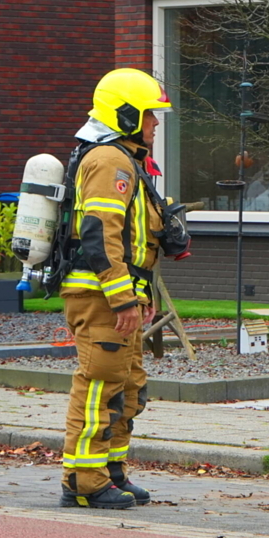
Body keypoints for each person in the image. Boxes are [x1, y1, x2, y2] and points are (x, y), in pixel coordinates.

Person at [58, 68, 176, 509]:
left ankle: (111, 472)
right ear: (126, 116)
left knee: (127, 386)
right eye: (150, 116)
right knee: (99, 387)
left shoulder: (124, 159)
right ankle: (84, 482)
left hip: (122, 293)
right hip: (103, 295)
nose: (156, 125)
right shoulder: (110, 161)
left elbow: (130, 234)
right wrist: (123, 297)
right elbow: (99, 234)